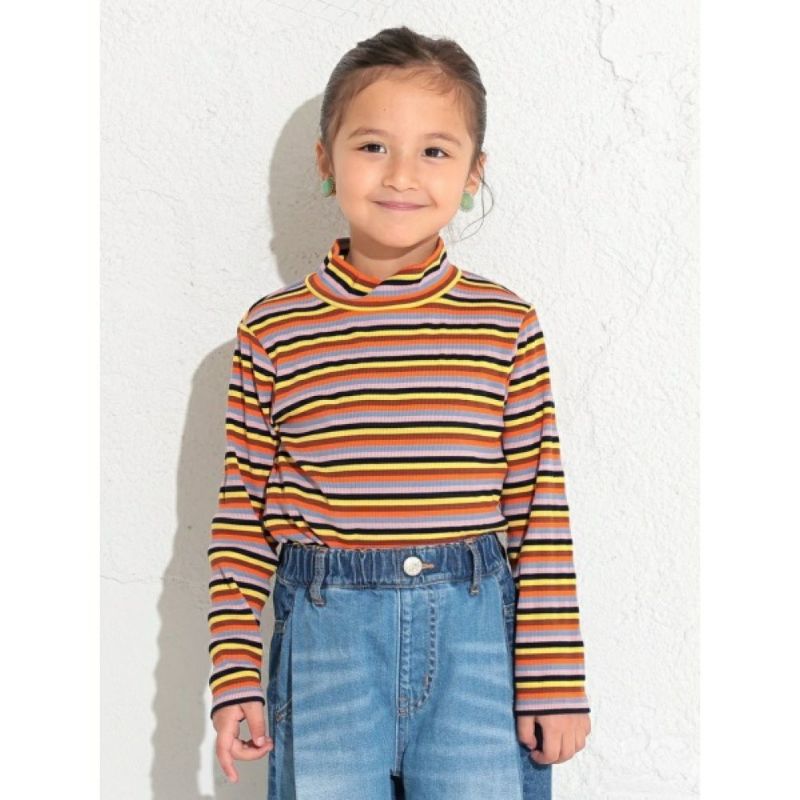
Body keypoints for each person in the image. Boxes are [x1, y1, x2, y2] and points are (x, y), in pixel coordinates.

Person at [206, 25, 591, 799]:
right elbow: (241, 515)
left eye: (435, 150)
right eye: (373, 146)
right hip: (327, 647)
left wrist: (554, 679)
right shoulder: (273, 331)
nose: (401, 175)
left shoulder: (503, 324)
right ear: (327, 160)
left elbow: (538, 507)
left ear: (474, 173)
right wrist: (235, 673)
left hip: (476, 652)